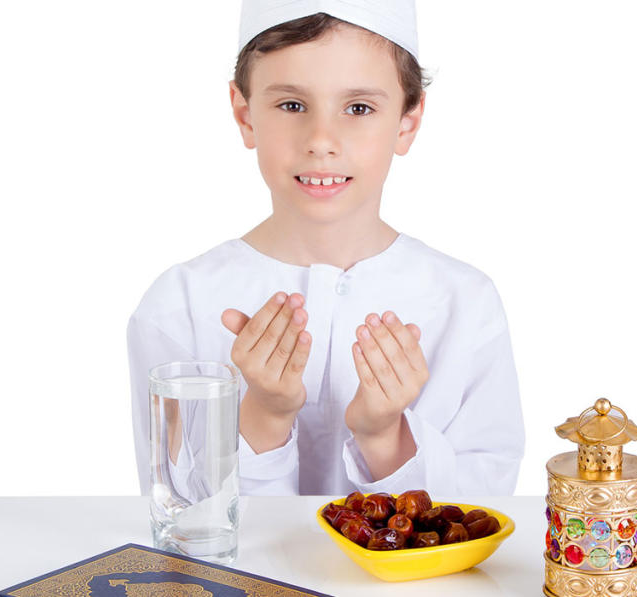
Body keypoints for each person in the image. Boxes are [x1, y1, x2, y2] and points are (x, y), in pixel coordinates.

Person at [127, 0, 524, 497]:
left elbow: (484, 509)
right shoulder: (179, 306)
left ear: (407, 121)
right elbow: (179, 516)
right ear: (245, 114)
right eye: (292, 105)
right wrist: (265, 414)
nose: (321, 140)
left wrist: (385, 436)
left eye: (358, 108)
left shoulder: (465, 304)